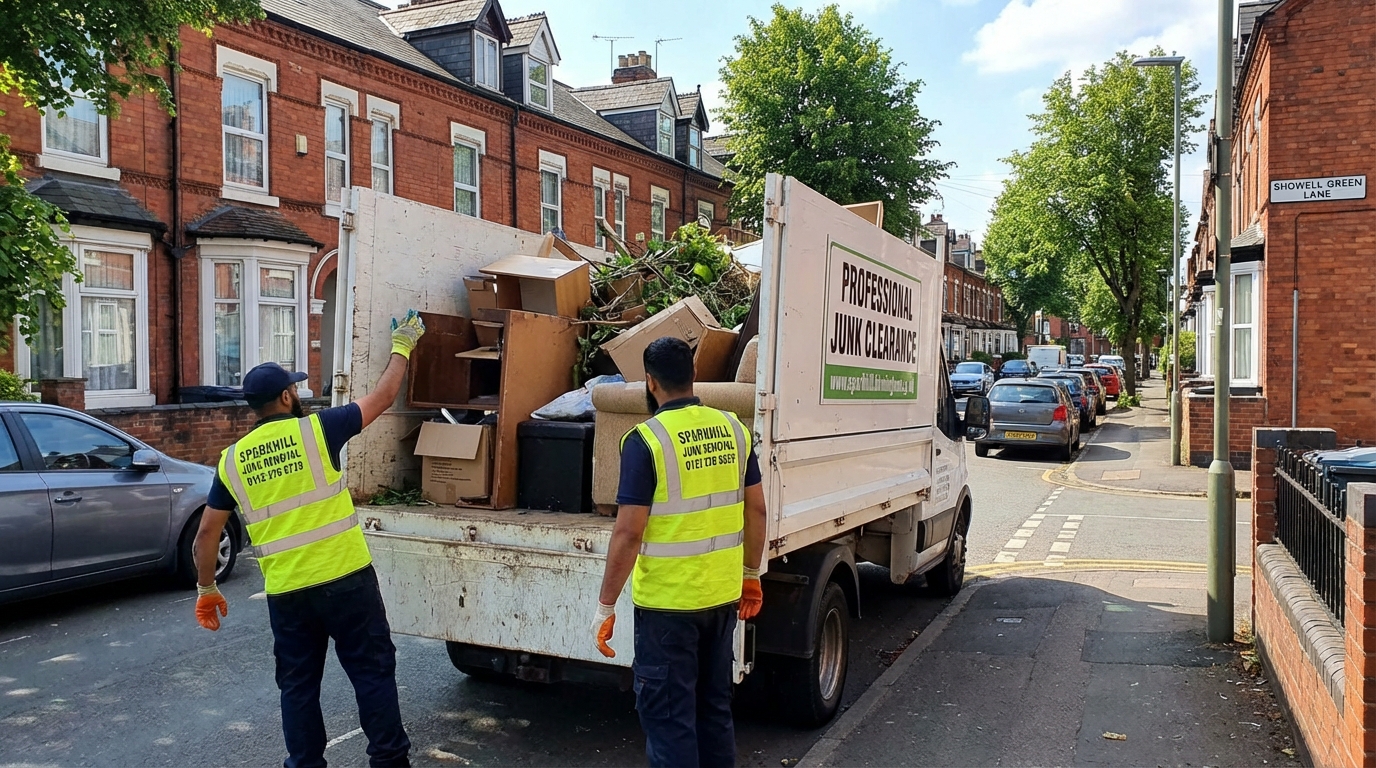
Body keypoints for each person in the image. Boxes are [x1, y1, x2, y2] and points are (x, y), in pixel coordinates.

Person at [192, 310, 427, 768]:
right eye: (294, 387)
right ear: (285, 395)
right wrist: (403, 344)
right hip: (347, 580)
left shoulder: (231, 461)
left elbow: (207, 532)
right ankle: (390, 762)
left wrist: (206, 588)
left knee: (298, 687)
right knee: (372, 674)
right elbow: (382, 397)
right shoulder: (317, 429)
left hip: (287, 594)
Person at [592, 337, 768, 768]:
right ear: (693, 375)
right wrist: (751, 574)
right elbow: (757, 509)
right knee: (713, 715)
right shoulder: (734, 428)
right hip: (721, 600)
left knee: (670, 724)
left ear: (650, 382)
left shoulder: (646, 440)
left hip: (668, 609)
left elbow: (628, 534)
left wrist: (605, 605)